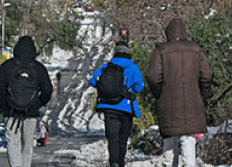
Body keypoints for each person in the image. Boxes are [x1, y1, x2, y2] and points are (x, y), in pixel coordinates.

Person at [147, 17, 212, 167]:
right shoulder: (196, 50)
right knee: (188, 141)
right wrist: (201, 96)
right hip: (192, 103)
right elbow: (207, 76)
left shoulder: (161, 51)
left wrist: (159, 93)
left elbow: (152, 76)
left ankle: (169, 164)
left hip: (168, 103)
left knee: (169, 139)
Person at [0, 35, 54, 167]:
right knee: (28, 144)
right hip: (31, 112)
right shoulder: (39, 68)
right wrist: (38, 103)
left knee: (13, 142)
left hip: (11, 111)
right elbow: (47, 89)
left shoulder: (7, 66)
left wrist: (4, 105)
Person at [89, 42, 144, 167]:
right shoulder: (133, 67)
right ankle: (120, 162)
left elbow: (92, 81)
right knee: (122, 139)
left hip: (108, 107)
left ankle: (113, 162)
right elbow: (139, 86)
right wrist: (129, 91)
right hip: (126, 108)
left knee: (112, 138)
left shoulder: (106, 66)